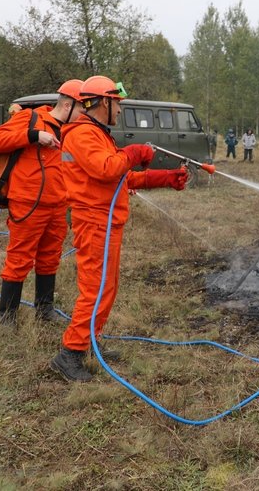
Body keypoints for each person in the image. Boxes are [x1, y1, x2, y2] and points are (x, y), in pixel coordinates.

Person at [50, 75, 188, 382]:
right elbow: (107, 168)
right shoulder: (83, 135)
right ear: (104, 102)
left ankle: (90, 340)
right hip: (94, 222)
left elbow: (122, 178)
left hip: (106, 222)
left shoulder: (98, 135)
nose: (121, 110)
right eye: (118, 103)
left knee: (106, 288)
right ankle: (69, 354)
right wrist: (134, 153)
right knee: (95, 290)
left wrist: (166, 178)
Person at [0, 79, 85, 326]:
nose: (84, 114)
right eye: (82, 108)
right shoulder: (31, 118)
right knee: (19, 258)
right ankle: (8, 316)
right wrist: (34, 136)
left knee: (50, 257)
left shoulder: (73, 131)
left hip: (58, 205)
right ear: (67, 105)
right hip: (28, 203)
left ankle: (44, 310)